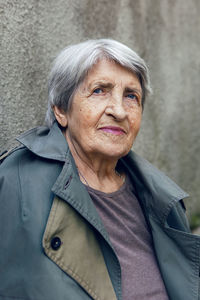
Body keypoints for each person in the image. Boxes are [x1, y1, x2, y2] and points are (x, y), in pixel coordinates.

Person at [0, 39, 198, 300]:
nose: (119, 111)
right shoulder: (15, 181)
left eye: (131, 96)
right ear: (61, 109)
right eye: (99, 91)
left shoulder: (161, 197)